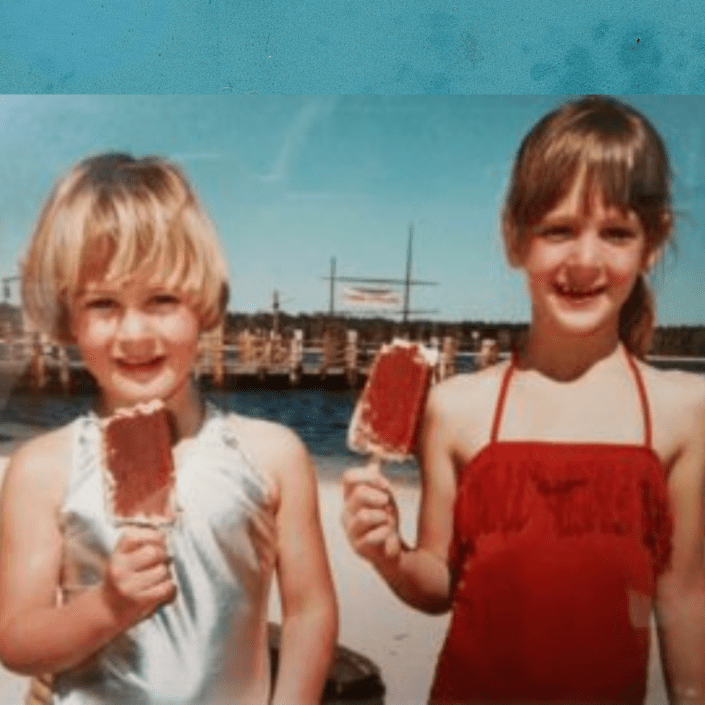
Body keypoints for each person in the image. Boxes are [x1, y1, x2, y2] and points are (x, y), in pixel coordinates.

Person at [342, 96, 705, 704]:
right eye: (557, 230)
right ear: (515, 239)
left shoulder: (683, 412)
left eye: (616, 233)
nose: (584, 260)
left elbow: (683, 597)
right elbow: (438, 584)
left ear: (654, 241)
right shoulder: (456, 408)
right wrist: (389, 556)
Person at [0, 153, 338, 705]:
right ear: (68, 315)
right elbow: (16, 642)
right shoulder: (42, 468)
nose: (134, 334)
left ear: (202, 303)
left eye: (162, 299)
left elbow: (309, 611)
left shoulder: (273, 455)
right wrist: (107, 605)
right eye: (104, 303)